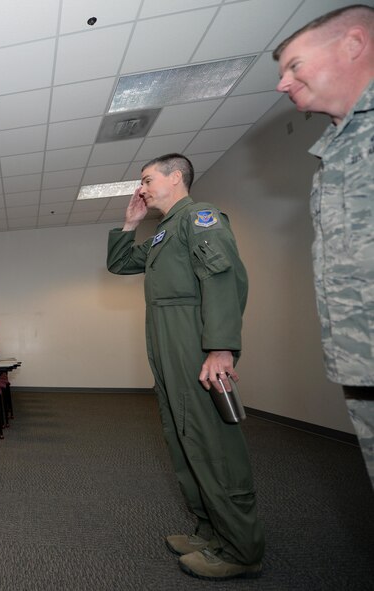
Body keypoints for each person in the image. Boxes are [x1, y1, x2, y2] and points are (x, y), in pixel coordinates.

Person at [106, 154, 264, 580]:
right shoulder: (164, 232)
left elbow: (223, 279)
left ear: (176, 178)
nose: (141, 187)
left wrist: (220, 348)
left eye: (147, 179)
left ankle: (240, 547)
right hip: (167, 345)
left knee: (213, 445)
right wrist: (129, 223)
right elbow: (120, 264)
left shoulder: (200, 218)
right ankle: (209, 531)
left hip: (195, 347)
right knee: (183, 439)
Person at [274, 4, 374, 490]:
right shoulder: (336, 146)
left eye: (295, 65)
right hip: (361, 356)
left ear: (354, 44)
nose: (283, 83)